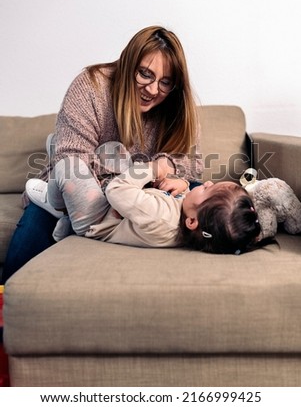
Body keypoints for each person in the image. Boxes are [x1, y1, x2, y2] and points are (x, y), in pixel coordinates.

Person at [2, 26, 203, 283]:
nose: (153, 90)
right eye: (145, 74)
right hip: (88, 189)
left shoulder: (176, 105)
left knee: (205, 199)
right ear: (128, 63)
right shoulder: (92, 85)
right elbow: (73, 160)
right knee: (42, 217)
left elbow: (193, 162)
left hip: (136, 194)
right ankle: (7, 304)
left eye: (165, 82)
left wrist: (175, 172)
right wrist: (132, 178)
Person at [26, 154, 261, 254]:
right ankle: (68, 219)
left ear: (192, 221)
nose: (207, 182)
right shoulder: (188, 222)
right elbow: (178, 202)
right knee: (115, 152)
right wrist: (183, 185)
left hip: (97, 220)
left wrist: (154, 169)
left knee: (69, 165)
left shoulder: (160, 216)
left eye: (208, 189)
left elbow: (115, 190)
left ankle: (56, 203)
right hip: (115, 213)